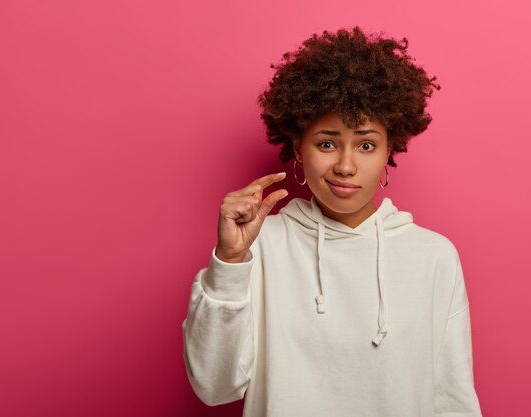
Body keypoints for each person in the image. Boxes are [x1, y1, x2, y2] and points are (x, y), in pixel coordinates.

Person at [182, 26, 482, 417]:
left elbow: (453, 398)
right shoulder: (259, 248)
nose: (345, 165)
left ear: (390, 150)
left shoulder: (434, 256)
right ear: (298, 149)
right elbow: (213, 387)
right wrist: (229, 262)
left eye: (366, 145)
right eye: (327, 143)